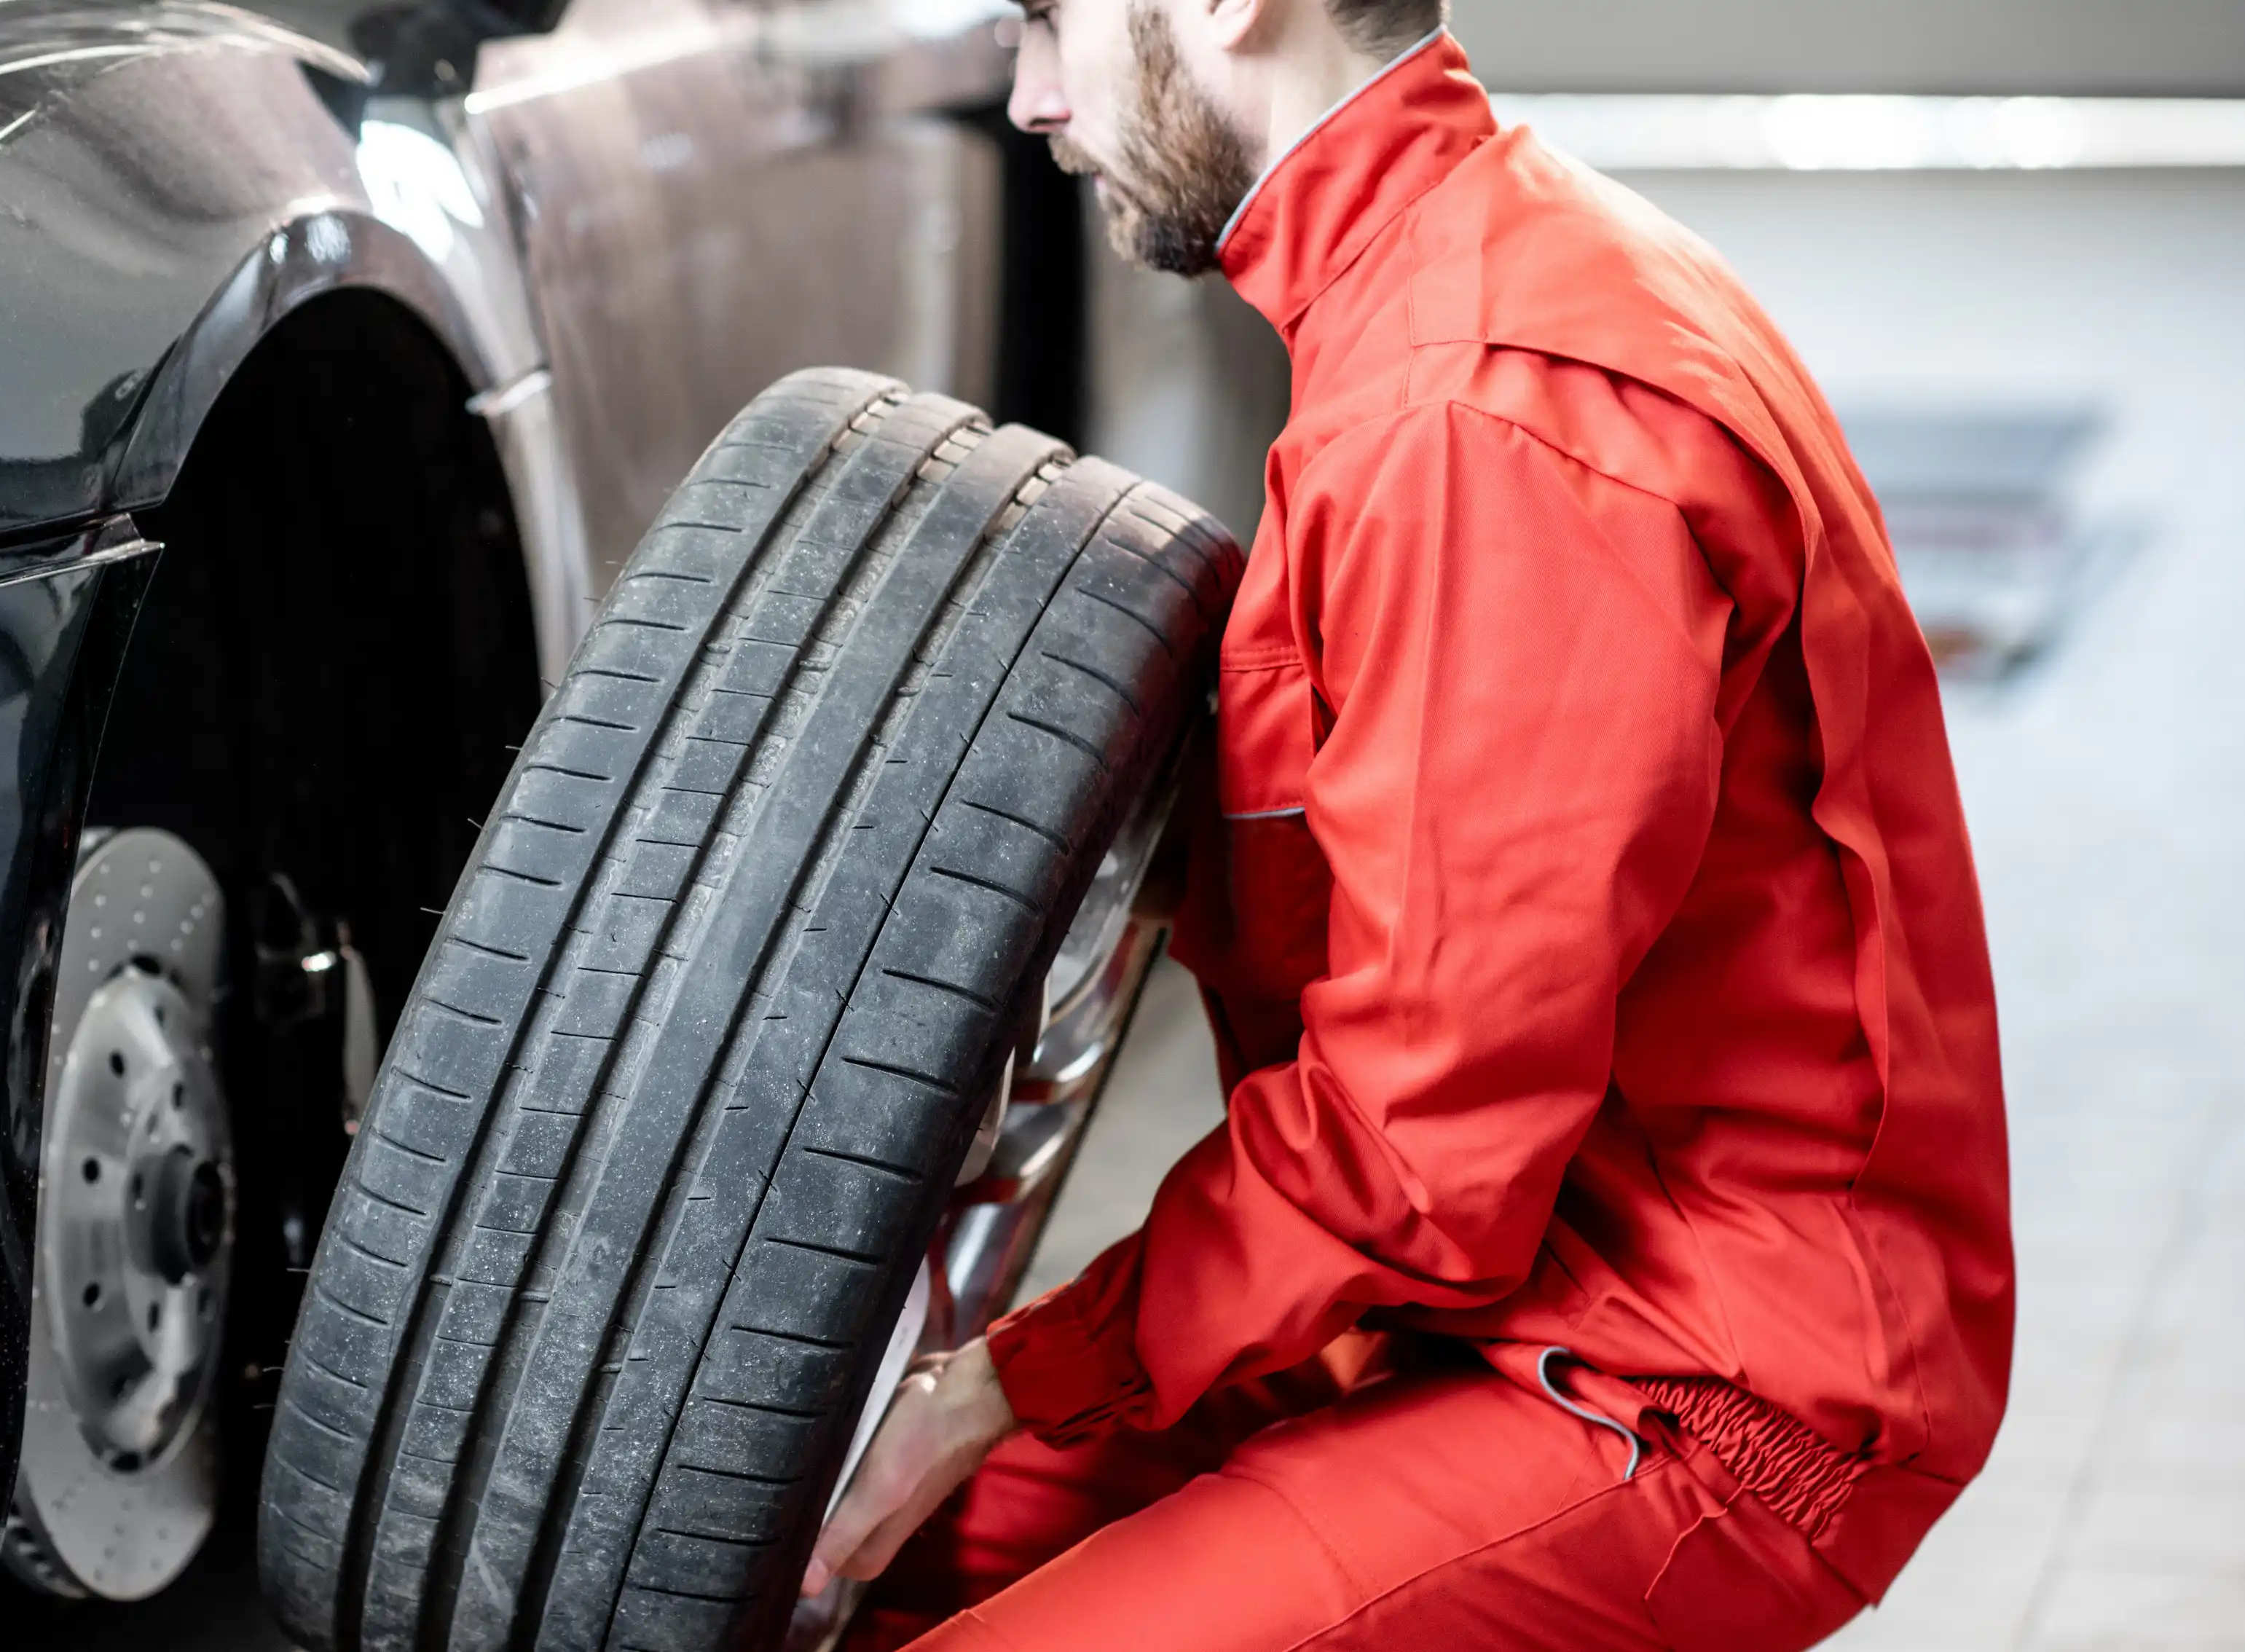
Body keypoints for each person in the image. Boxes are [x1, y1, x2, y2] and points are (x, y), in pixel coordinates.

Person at [801, 1, 2013, 1647]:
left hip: (1694, 1397)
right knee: (852, 1566)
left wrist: (1007, 1381)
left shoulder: (1479, 412)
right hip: (1483, 1302)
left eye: (1047, 19)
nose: (1026, 98)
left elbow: (1419, 1145)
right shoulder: (1438, 284)